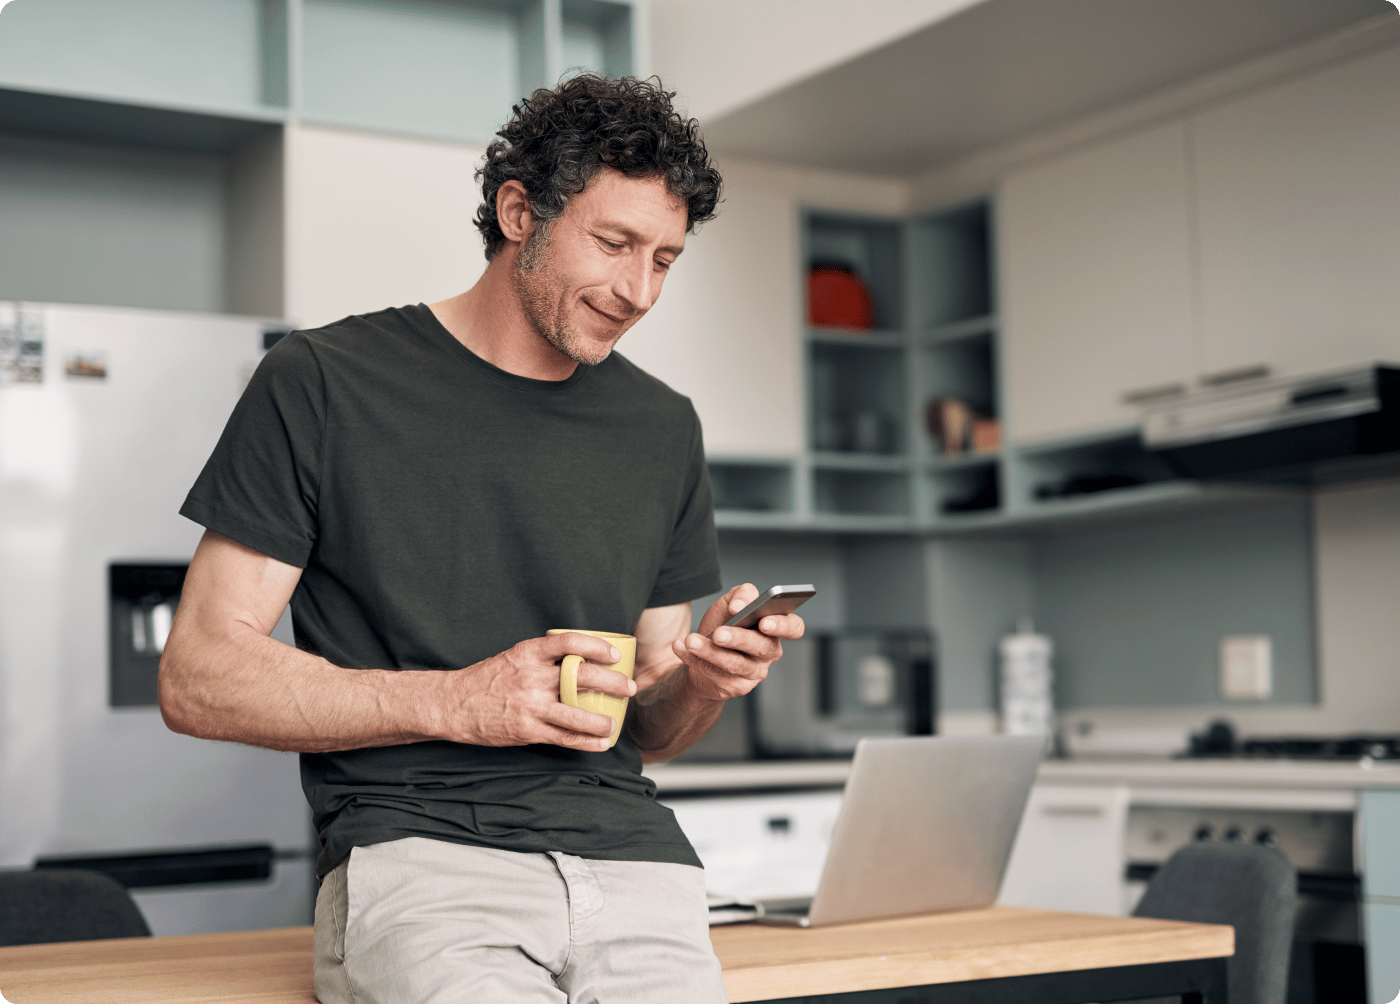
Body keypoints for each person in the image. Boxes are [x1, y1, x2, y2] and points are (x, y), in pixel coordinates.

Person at [157, 74, 804, 1003]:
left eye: (664, 258)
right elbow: (197, 675)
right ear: (517, 211)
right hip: (423, 860)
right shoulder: (324, 383)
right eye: (614, 243)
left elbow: (647, 727)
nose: (638, 292)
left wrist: (703, 679)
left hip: (640, 866)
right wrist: (461, 701)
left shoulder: (664, 427)